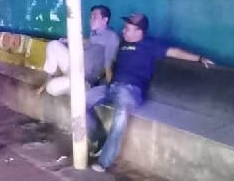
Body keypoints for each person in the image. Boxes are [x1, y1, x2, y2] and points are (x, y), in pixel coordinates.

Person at [86, 12, 214, 172]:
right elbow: (100, 47)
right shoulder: (122, 43)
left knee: (119, 120)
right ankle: (99, 138)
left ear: (139, 31)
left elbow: (175, 52)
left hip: (130, 91)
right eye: (125, 28)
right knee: (80, 102)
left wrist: (199, 58)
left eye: (128, 28)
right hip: (111, 87)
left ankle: (104, 162)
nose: (124, 31)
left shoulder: (151, 44)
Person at [37, 5, 120, 97]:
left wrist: (108, 89)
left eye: (95, 17)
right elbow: (89, 41)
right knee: (53, 44)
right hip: (74, 66)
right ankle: (50, 77)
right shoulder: (94, 33)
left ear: (105, 20)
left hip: (83, 78)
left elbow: (109, 65)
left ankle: (80, 90)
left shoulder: (112, 37)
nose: (91, 20)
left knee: (50, 88)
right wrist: (68, 40)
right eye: (91, 17)